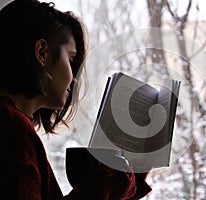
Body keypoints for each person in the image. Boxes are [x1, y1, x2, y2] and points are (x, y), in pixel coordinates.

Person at [0, 0, 151, 199]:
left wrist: (130, 181)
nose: (74, 77)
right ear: (41, 53)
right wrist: (105, 182)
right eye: (70, 60)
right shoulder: (12, 129)